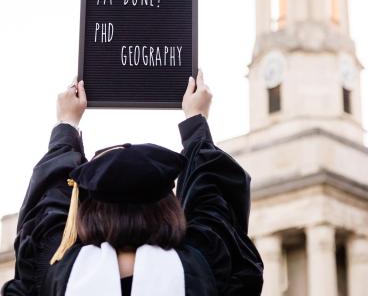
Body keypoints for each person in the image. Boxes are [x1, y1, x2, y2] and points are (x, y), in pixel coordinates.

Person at [1, 70, 264, 296]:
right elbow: (214, 204)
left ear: (90, 214)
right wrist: (196, 121)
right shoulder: (203, 267)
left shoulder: (57, 272)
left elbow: (47, 209)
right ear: (168, 211)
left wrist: (66, 124)